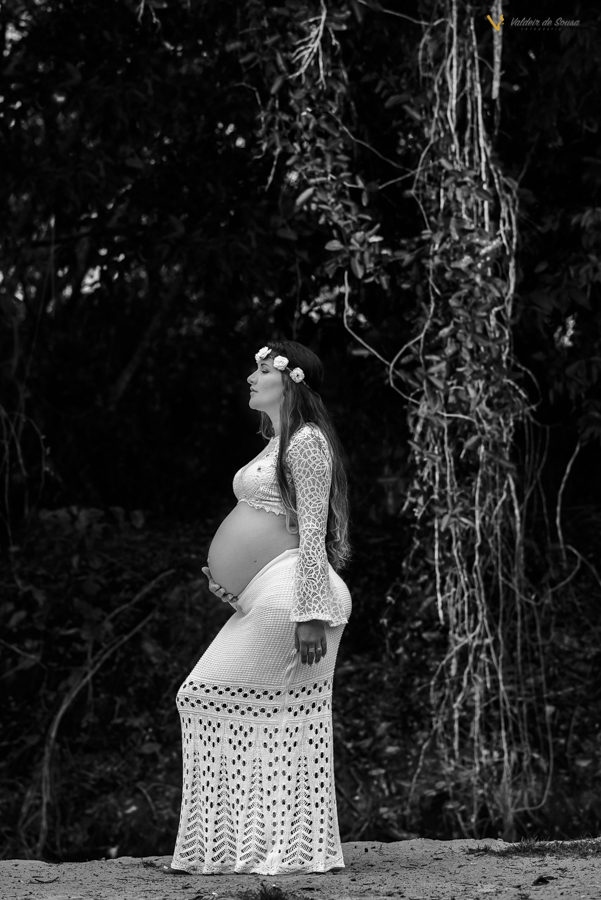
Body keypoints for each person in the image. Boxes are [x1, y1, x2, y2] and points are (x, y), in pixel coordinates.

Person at [163, 340, 352, 876]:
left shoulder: (307, 441)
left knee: (206, 696)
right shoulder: (277, 443)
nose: (251, 376)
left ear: (291, 381)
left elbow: (311, 531)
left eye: (263, 369)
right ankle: (267, 847)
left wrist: (310, 612)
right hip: (269, 592)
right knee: (267, 714)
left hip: (296, 594)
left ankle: (268, 847)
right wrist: (236, 585)